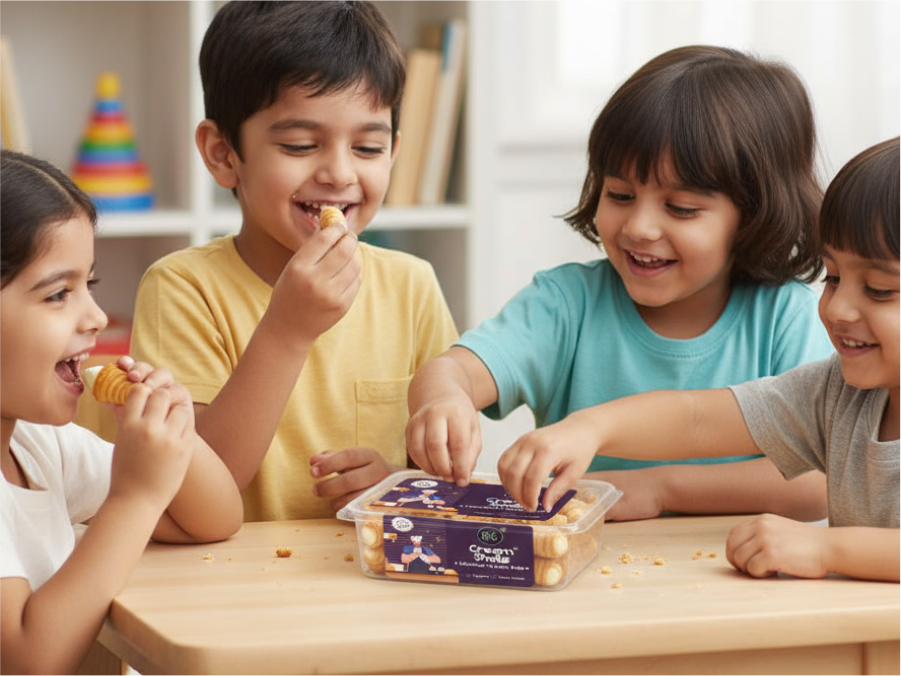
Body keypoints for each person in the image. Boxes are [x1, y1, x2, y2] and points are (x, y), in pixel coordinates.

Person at [407, 45, 834, 522]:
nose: (639, 227)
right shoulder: (566, 304)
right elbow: (453, 370)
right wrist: (444, 398)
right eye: (620, 194)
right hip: (580, 581)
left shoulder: (786, 318)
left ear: (755, 214)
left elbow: (819, 479)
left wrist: (659, 489)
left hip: (738, 582)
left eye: (681, 208)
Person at [497, 138, 900, 582]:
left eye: (881, 289)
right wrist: (589, 428)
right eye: (834, 277)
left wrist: (828, 549)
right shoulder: (835, 394)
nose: (838, 308)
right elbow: (696, 418)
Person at [129, 1, 458, 521]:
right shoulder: (182, 289)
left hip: (375, 583)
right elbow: (189, 491)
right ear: (222, 154)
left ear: (394, 152)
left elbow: (447, 480)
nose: (339, 173)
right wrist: (286, 329)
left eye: (368, 148)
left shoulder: (411, 285)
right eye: (301, 144)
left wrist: (401, 485)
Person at [0, 150, 244, 674]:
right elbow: (28, 661)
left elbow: (213, 520)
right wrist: (135, 496)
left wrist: (177, 432)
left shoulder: (38, 449)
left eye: (89, 285)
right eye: (58, 294)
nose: (95, 316)